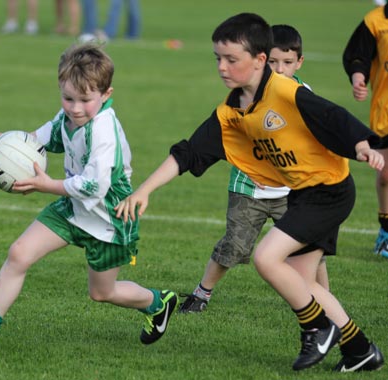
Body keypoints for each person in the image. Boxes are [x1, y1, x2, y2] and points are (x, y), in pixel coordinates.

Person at [116, 13, 385, 372]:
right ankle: (360, 349)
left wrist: (363, 143)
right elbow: (189, 152)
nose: (222, 67)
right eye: (218, 59)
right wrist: (145, 190)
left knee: (266, 257)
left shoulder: (286, 92)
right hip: (306, 195)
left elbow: (333, 117)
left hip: (328, 191)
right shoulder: (231, 112)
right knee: (302, 281)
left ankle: (317, 327)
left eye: (232, 59)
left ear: (260, 59)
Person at [0, 43, 178, 357]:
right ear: (60, 89)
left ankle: (158, 303)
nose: (75, 108)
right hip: (72, 208)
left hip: (110, 220)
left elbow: (94, 185)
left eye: (85, 100)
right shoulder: (68, 115)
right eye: (68, 98)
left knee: (102, 293)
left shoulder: (104, 132)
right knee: (19, 253)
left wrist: (46, 185)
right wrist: (5, 148)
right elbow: (40, 139)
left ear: (106, 95)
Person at [179, 24, 329, 314]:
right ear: (261, 60)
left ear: (299, 62)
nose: (280, 69)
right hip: (249, 189)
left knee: (311, 249)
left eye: (287, 62)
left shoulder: (302, 94)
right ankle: (201, 294)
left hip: (294, 192)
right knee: (234, 247)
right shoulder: (245, 93)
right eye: (273, 62)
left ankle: (325, 300)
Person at [343, 4, 388, 258]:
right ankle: (386, 231)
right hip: (385, 112)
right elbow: (358, 55)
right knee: (384, 176)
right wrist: (358, 77)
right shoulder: (376, 20)